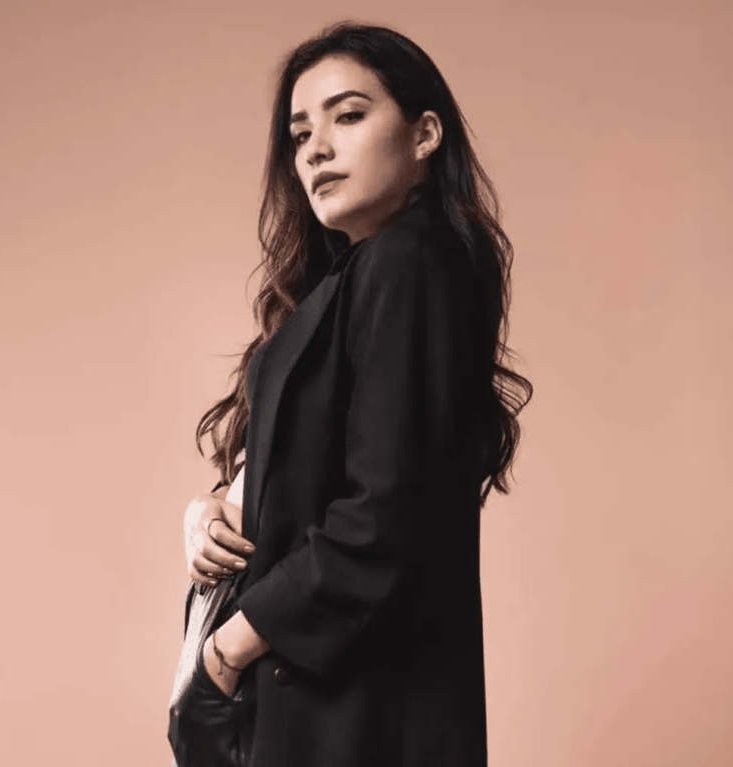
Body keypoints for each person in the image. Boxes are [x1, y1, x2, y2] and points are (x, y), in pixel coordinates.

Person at [181, 20, 532, 767]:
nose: (315, 149)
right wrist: (214, 511)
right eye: (300, 133)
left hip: (355, 712)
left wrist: (226, 650)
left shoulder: (409, 260)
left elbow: (384, 513)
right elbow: (321, 471)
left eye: (348, 116)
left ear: (424, 134)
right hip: (317, 702)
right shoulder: (353, 281)